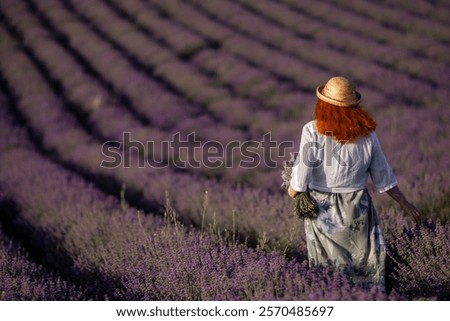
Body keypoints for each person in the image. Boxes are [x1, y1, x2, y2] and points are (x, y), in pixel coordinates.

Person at [287, 76, 420, 291]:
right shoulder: (367, 133)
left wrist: (293, 190)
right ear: (354, 105)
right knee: (364, 265)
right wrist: (404, 203)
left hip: (323, 210)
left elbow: (301, 176)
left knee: (328, 270)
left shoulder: (312, 130)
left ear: (322, 104)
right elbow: (382, 175)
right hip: (358, 207)